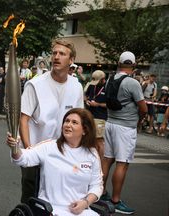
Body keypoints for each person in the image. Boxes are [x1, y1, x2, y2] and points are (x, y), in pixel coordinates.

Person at [18, 39, 84, 203]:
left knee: (56, 198)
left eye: (62, 54)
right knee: (31, 196)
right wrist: (29, 150)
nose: (56, 56)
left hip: (61, 152)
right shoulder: (34, 84)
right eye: (54, 53)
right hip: (35, 149)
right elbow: (23, 118)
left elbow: (79, 119)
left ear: (71, 60)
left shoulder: (76, 87)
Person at [7, 108, 103, 216]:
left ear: (85, 130)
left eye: (74, 122)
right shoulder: (49, 147)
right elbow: (23, 158)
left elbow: (97, 185)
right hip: (51, 210)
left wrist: (86, 202)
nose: (68, 125)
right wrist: (14, 147)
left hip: (81, 210)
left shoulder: (91, 153)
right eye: (66, 121)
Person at [101, 51, 147, 215]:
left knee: (107, 160)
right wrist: (139, 120)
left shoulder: (110, 79)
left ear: (119, 63)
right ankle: (116, 200)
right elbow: (143, 108)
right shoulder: (132, 83)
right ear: (133, 65)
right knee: (122, 163)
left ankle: (99, 194)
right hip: (125, 127)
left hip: (110, 123)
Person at [84, 70, 107, 161]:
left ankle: (100, 163)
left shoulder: (107, 88)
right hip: (89, 115)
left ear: (103, 79)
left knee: (99, 141)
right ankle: (91, 161)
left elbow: (110, 104)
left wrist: (97, 104)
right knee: (89, 140)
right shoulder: (92, 85)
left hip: (100, 117)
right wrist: (86, 101)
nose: (95, 83)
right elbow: (85, 95)